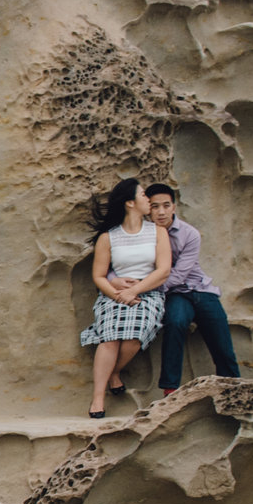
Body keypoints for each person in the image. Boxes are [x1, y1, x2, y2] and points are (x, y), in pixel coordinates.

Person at [79, 177, 171, 418]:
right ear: (130, 203)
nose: (148, 199)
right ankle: (98, 397)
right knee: (109, 338)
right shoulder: (108, 237)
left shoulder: (158, 232)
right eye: (143, 195)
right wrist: (118, 294)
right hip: (115, 294)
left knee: (133, 336)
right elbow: (98, 276)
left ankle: (112, 373)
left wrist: (135, 291)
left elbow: (163, 270)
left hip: (147, 293)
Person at [145, 184, 241, 391]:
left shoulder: (190, 234)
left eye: (166, 205)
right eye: (154, 207)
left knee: (220, 334)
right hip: (175, 294)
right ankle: (170, 389)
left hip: (201, 290)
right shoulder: (145, 236)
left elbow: (180, 274)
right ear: (148, 209)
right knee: (175, 323)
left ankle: (233, 388)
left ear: (174, 207)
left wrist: (149, 290)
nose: (161, 212)